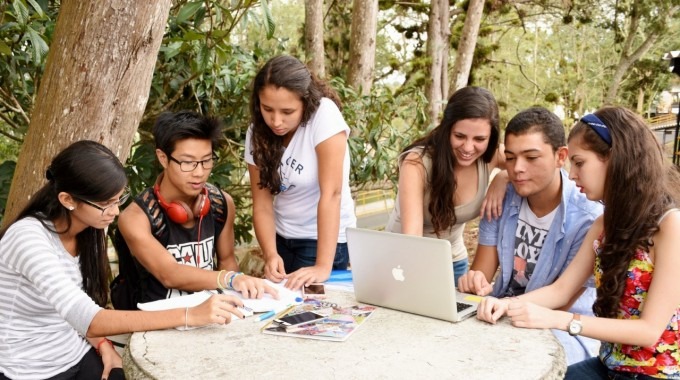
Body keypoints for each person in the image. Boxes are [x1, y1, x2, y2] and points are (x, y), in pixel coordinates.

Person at [0, 141, 246, 380]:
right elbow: (89, 318)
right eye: (106, 203)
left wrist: (103, 346)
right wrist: (189, 315)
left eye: (118, 199)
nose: (116, 211)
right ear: (67, 200)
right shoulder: (28, 238)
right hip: (26, 367)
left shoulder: (88, 225)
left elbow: (77, 310)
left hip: (75, 351)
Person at [477, 107, 680, 379]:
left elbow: (648, 331)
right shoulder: (603, 224)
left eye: (580, 163)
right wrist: (507, 305)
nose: (572, 175)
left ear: (614, 158)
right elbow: (561, 290)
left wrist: (562, 321)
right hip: (607, 367)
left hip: (656, 374)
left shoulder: (670, 226)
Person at [457, 107, 603, 365]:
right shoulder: (501, 198)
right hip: (503, 314)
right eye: (510, 158)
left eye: (531, 157)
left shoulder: (586, 218)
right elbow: (482, 273)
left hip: (560, 329)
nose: (517, 169)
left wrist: (501, 307)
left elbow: (560, 303)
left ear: (561, 156)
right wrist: (475, 281)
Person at [117, 111, 277, 304]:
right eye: (188, 162)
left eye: (206, 160)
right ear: (163, 158)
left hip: (212, 315)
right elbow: (169, 274)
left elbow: (226, 261)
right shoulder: (136, 218)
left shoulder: (221, 203)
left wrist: (239, 299)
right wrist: (230, 279)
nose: (199, 172)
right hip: (157, 325)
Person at [245, 55, 356, 290]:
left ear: (306, 102)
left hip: (322, 242)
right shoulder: (256, 132)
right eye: (267, 109)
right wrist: (270, 253)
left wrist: (322, 266)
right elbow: (262, 204)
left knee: (311, 318)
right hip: (281, 238)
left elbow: (332, 194)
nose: (276, 121)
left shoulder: (323, 115)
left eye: (287, 111)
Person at [385, 86, 506, 283]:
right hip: (402, 263)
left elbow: (537, 166)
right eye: (459, 136)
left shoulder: (491, 156)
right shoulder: (417, 163)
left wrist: (503, 177)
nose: (468, 148)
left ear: (491, 137)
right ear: (447, 128)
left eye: (479, 139)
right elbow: (412, 238)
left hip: (454, 262)